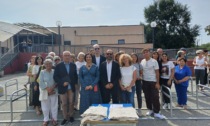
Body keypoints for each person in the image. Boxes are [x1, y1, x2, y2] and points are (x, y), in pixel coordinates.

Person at [53, 51, 78, 125]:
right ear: (62, 56)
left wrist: (75, 83)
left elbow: (75, 76)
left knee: (71, 103)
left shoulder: (73, 65)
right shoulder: (58, 65)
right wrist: (62, 83)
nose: (67, 57)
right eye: (65, 55)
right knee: (64, 103)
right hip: (62, 87)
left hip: (71, 87)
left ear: (70, 57)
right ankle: (65, 117)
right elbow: (55, 77)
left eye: (68, 55)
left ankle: (71, 116)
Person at [140, 48, 165, 119]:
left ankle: (156, 112)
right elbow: (141, 71)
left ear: (150, 53)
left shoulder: (154, 61)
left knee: (155, 97)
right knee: (147, 96)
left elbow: (157, 72)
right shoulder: (142, 61)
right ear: (143, 54)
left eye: (147, 52)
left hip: (153, 82)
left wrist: (157, 83)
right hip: (145, 81)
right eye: (144, 52)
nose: (145, 53)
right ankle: (150, 109)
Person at [39, 59, 58, 126]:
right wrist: (48, 89)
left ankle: (54, 119)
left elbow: (57, 81)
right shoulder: (42, 72)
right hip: (45, 92)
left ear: (52, 64)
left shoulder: (54, 71)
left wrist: (52, 88)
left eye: (49, 63)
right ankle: (46, 120)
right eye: (46, 64)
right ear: (44, 65)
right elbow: (40, 82)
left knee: (54, 106)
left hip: (54, 91)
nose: (48, 65)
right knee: (45, 107)